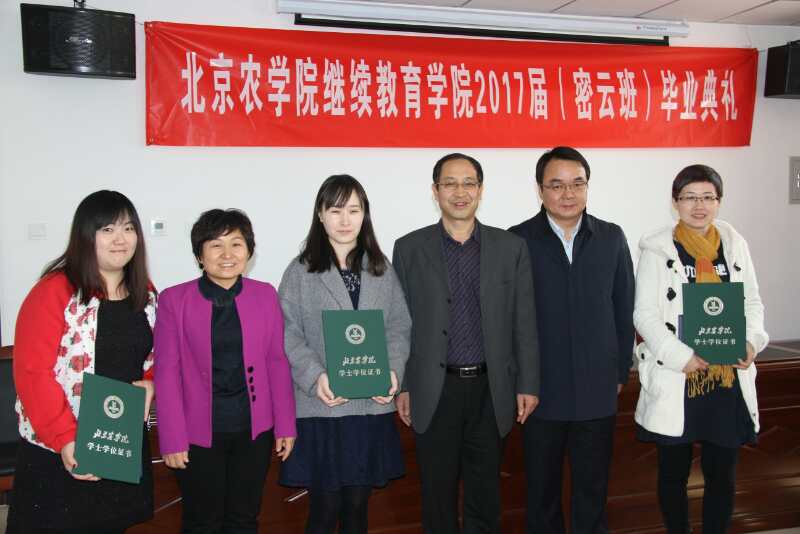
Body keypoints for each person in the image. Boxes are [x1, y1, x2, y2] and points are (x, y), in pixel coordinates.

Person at [393, 153, 540, 534]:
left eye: (468, 183)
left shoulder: (511, 247)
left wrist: (528, 383)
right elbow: (399, 324)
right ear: (435, 191)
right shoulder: (409, 248)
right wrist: (404, 384)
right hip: (434, 390)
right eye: (450, 183)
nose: (460, 192)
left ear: (480, 189)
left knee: (485, 496)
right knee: (437, 497)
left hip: (492, 390)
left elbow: (524, 321)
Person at [7, 190, 156, 533]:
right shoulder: (54, 291)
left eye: (128, 228)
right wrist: (66, 438)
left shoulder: (145, 292)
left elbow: (155, 356)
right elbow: (33, 373)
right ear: (86, 236)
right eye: (107, 229)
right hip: (60, 447)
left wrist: (151, 383)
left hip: (117, 442)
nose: (120, 239)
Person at [633, 164, 769, 534]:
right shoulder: (657, 249)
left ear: (719, 201)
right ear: (675, 202)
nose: (699, 205)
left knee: (722, 475)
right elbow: (644, 314)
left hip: (726, 379)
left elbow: (752, 302)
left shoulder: (734, 244)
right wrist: (682, 357)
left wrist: (751, 342)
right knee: (673, 474)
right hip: (679, 377)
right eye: (690, 197)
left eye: (708, 197)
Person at [508, 146, 635, 534]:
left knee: (592, 491)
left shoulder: (610, 237)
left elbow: (623, 308)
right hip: (539, 392)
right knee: (542, 493)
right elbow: (508, 319)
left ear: (587, 187)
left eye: (577, 184)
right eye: (557, 185)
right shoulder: (517, 241)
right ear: (540, 190)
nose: (568, 193)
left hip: (597, 388)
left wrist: (619, 372)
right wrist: (520, 380)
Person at [278, 174, 411, 534]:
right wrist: (315, 377)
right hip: (323, 407)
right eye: (335, 210)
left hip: (369, 407)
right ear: (320, 214)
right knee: (324, 508)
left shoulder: (380, 267)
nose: (345, 219)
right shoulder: (300, 271)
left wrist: (392, 372)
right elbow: (287, 332)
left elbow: (399, 326)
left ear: (365, 215)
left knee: (357, 506)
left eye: (354, 210)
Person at [153, 208, 296, 534]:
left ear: (249, 251)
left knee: (244, 519)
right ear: (199, 255)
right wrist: (172, 437)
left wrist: (286, 424)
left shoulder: (265, 294)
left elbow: (276, 361)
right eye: (216, 245)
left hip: (254, 430)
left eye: (236, 244)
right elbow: (166, 372)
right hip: (197, 433)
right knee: (202, 521)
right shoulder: (175, 300)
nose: (227, 254)